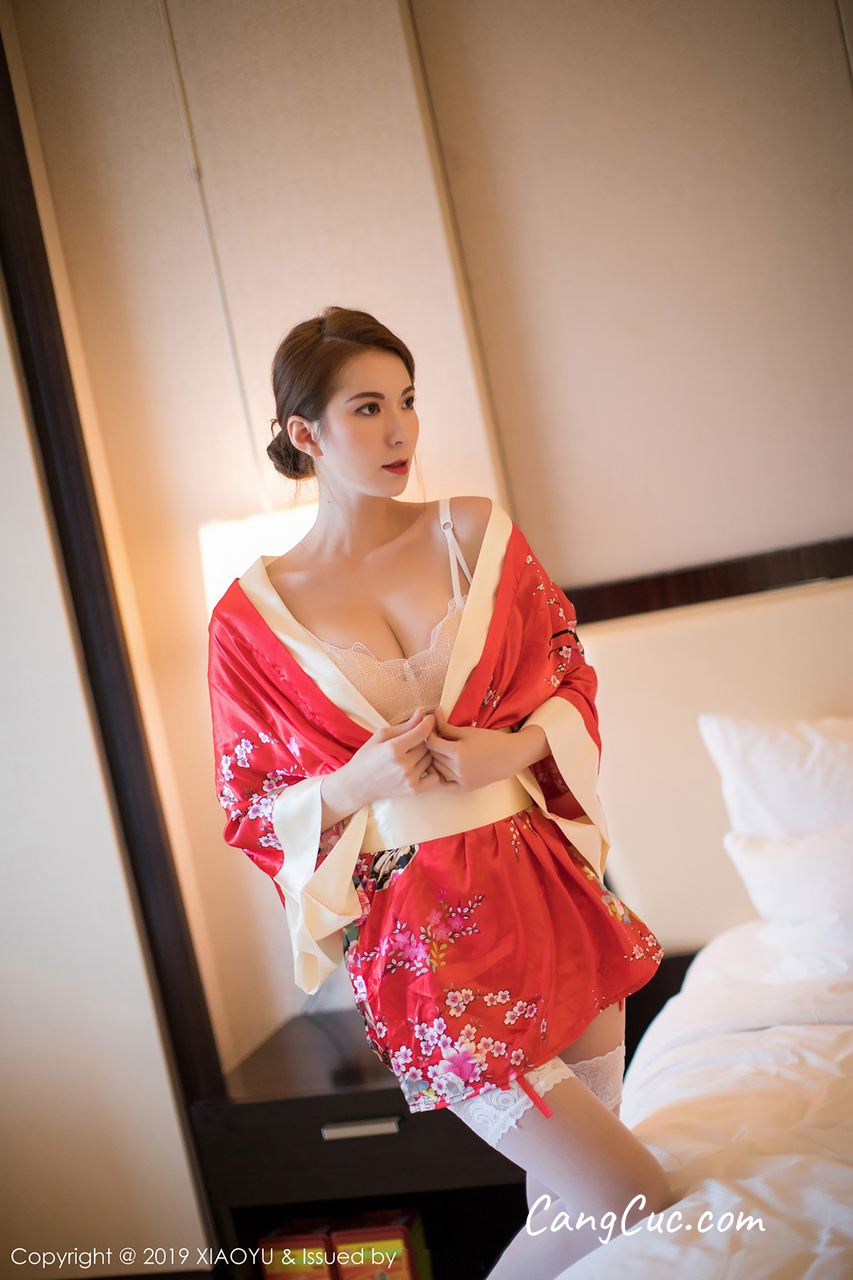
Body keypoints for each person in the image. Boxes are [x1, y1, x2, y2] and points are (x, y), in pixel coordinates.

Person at [207, 306, 674, 1275]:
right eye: (367, 407)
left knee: (571, 1208)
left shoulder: (473, 532)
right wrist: (355, 781)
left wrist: (511, 751)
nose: (400, 430)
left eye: (407, 401)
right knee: (628, 1194)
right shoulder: (247, 620)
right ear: (304, 434)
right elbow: (247, 806)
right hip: (428, 943)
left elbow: (570, 675)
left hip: (552, 891)